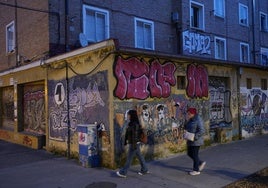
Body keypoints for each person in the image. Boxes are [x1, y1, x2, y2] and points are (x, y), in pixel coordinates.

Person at [116, 110, 149, 178]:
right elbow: (129, 134)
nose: (128, 116)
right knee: (140, 156)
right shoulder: (132, 123)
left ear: (132, 115)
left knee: (129, 159)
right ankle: (144, 169)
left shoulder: (134, 124)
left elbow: (134, 136)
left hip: (134, 143)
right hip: (134, 143)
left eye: (129, 115)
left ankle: (123, 172)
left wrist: (133, 145)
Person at [184, 107, 206, 176]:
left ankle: (196, 170)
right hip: (190, 139)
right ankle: (200, 163)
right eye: (188, 113)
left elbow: (202, 130)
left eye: (189, 114)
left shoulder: (198, 119)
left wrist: (195, 137)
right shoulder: (190, 119)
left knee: (194, 154)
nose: (188, 115)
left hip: (196, 140)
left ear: (193, 113)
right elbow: (187, 127)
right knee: (189, 153)